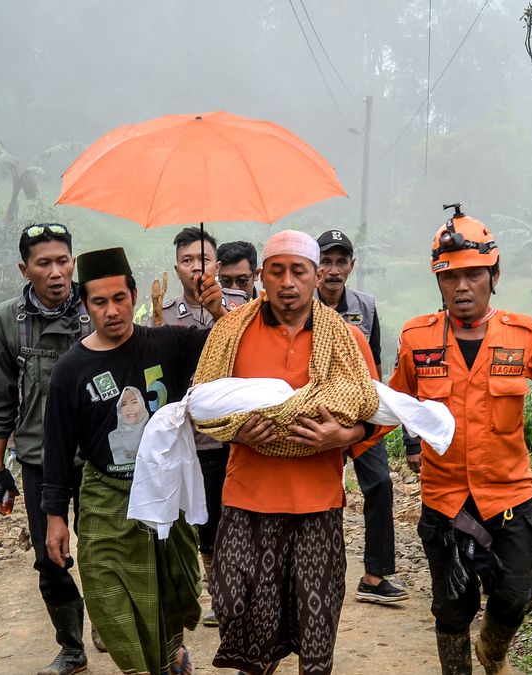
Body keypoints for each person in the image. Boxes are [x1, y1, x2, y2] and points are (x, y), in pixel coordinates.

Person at [387, 206, 532, 674]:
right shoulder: (417, 339)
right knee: (452, 608)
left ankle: (493, 651)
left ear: (493, 276)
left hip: (509, 495)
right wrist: (347, 435)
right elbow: (391, 404)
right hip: (447, 501)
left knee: (517, 593)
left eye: (474, 274)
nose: (461, 287)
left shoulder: (522, 334)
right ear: (438, 281)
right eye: (449, 276)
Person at [206, 229, 385, 674]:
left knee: (315, 617)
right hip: (247, 497)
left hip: (316, 502)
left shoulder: (345, 339)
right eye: (277, 271)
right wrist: (236, 431)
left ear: (315, 274)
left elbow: (376, 410)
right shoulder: (232, 332)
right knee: (236, 605)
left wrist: (344, 437)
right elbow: (205, 403)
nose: (287, 282)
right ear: (263, 275)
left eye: (298, 271)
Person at [42, 247, 227, 675]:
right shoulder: (72, 369)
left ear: (135, 294)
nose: (112, 311)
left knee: (169, 586)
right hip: (106, 498)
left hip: (164, 493)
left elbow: (229, 348)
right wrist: (55, 517)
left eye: (119, 298)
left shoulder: (170, 344)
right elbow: (57, 446)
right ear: (84, 305)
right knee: (109, 597)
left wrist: (216, 309)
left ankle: (170, 657)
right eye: (99, 302)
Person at [0, 223, 94, 675]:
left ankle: (110, 621)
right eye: (43, 263)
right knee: (50, 557)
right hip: (40, 458)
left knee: (107, 549)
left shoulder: (95, 305)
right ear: (24, 269)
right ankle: (71, 648)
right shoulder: (6, 320)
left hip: (98, 457)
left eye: (63, 261)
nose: (56, 272)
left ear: (73, 261)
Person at [145, 226, 248, 628]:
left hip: (237, 429)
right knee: (202, 517)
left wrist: (221, 309)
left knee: (236, 513)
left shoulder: (242, 304)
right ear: (176, 268)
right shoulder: (164, 312)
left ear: (217, 266)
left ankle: (237, 586)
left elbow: (252, 347)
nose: (196, 268)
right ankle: (214, 588)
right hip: (193, 435)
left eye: (203, 260)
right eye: (187, 261)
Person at [315, 228, 407, 605]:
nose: (333, 270)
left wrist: (380, 414)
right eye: (326, 261)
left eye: (341, 261)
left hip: (363, 414)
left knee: (380, 484)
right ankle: (320, 572)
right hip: (320, 415)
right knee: (323, 493)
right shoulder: (303, 305)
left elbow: (377, 365)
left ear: (352, 266)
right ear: (314, 267)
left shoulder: (365, 307)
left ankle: (373, 577)